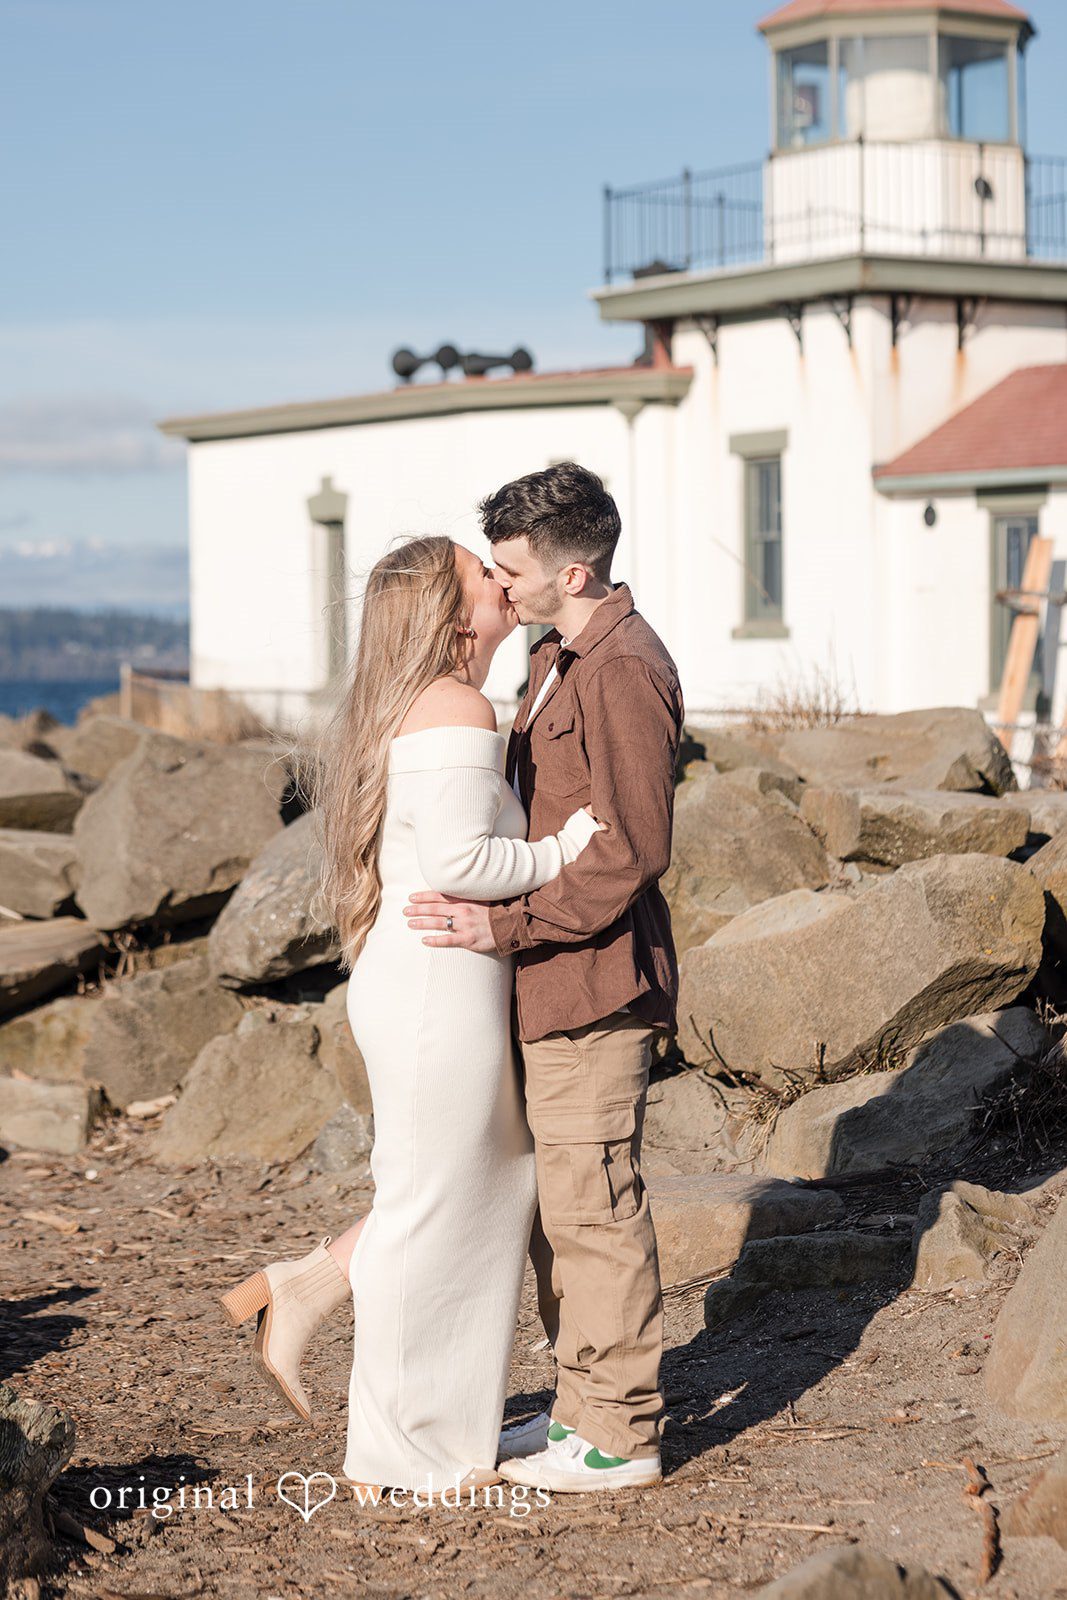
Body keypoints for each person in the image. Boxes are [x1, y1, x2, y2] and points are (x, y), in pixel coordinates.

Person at [218, 533, 601, 1494]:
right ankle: (404, 1450)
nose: (503, 583)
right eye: (484, 575)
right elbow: (464, 864)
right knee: (439, 1205)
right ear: (446, 613)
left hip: (429, 983)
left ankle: (385, 1382)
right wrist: (567, 850)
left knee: (464, 1194)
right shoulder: (456, 702)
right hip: (439, 991)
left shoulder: (425, 702)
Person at [403, 461, 683, 1493]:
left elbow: (629, 848)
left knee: (593, 1210)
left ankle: (619, 1436)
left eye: (511, 568)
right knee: (557, 1213)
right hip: (553, 982)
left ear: (573, 569)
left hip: (595, 984)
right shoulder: (557, 653)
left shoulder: (619, 668)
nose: (497, 582)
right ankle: (578, 1414)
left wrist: (501, 924)